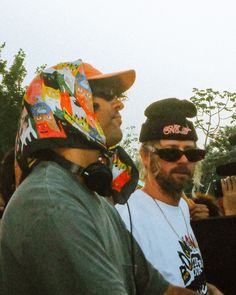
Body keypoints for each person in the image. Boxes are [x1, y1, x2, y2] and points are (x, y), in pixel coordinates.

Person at [0, 60, 198, 295]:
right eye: (107, 94)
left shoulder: (97, 198)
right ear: (67, 105)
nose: (119, 104)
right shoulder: (51, 203)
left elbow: (160, 289)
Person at [116, 98, 223, 294]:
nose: (183, 160)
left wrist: (210, 290)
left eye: (191, 153)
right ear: (145, 156)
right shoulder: (125, 217)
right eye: (171, 153)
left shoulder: (183, 208)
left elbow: (186, 278)